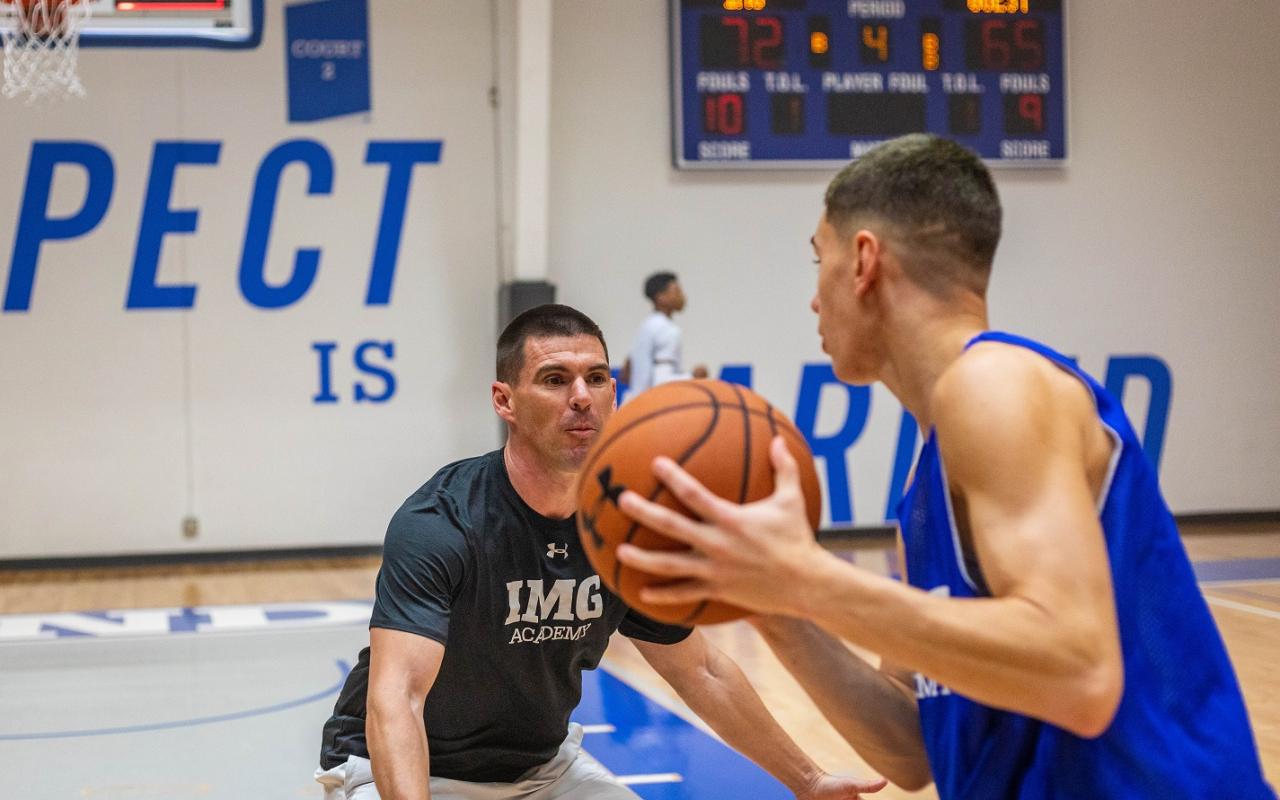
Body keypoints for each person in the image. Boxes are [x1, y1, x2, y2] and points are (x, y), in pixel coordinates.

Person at [614, 135, 1276, 798]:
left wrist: (808, 577)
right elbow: (909, 751)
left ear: (865, 261)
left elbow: (1079, 673)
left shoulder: (995, 384)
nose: (814, 299)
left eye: (820, 260)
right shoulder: (926, 475)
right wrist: (778, 608)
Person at [315, 303, 886, 800]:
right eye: (555, 379)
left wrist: (807, 781)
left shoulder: (624, 527)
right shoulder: (441, 522)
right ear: (504, 400)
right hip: (411, 771)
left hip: (544, 770)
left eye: (597, 377)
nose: (582, 398)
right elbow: (399, 699)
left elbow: (703, 671)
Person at [621, 272, 707, 396]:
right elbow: (642, 367)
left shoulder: (668, 326)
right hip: (654, 393)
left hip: (664, 390)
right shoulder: (651, 326)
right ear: (660, 297)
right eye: (676, 291)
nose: (682, 296)